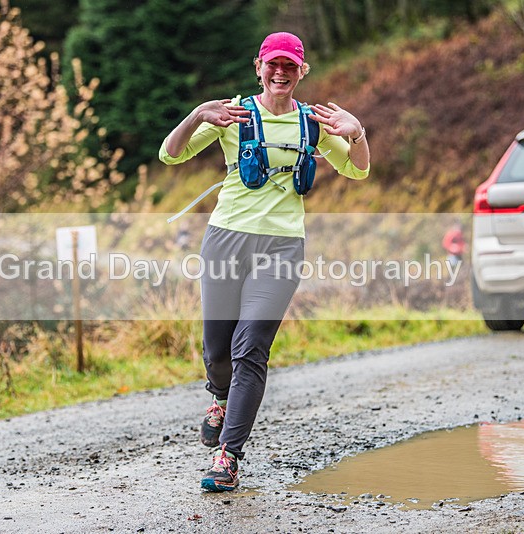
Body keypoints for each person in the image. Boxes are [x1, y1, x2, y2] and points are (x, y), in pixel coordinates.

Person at [159, 32, 370, 492]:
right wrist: (197, 115)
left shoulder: (313, 123)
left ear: (302, 71)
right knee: (217, 351)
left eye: (290, 66)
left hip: (282, 248)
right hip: (225, 242)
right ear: (258, 67)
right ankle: (219, 398)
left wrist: (357, 133)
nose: (280, 73)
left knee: (250, 346)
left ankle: (228, 457)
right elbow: (169, 155)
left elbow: (358, 169)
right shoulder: (232, 114)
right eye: (273, 64)